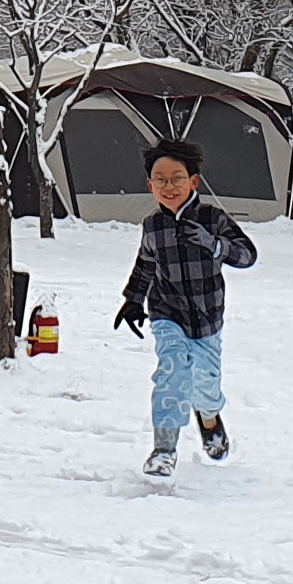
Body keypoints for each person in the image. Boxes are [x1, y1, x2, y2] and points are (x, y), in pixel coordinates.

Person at [115, 137, 258, 477]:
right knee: (172, 372)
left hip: (208, 319)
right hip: (168, 313)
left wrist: (215, 245)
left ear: (193, 181)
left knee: (205, 385)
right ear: (150, 186)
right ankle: (164, 449)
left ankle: (208, 418)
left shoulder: (212, 218)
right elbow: (145, 264)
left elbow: (248, 255)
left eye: (176, 178)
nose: (169, 186)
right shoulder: (153, 226)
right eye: (160, 180)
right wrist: (133, 300)